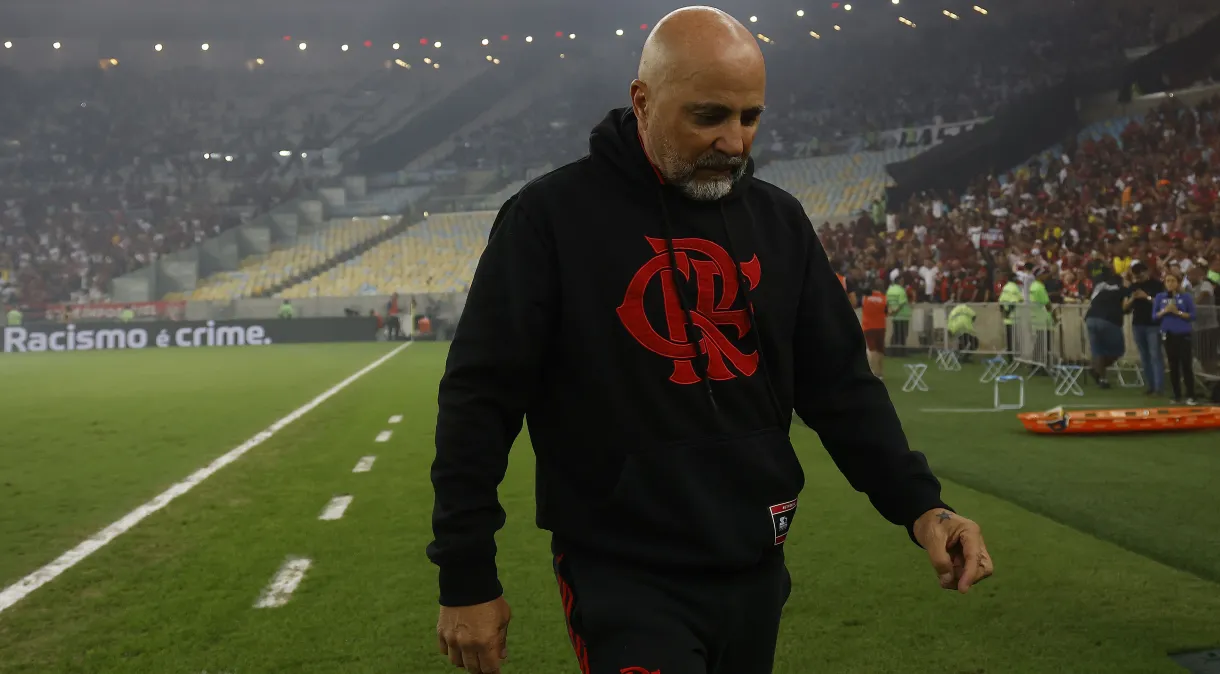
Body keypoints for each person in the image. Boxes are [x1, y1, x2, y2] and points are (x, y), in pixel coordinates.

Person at [427, 8, 992, 674]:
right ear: (643, 102)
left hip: (757, 566)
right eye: (709, 117)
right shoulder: (548, 220)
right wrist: (467, 576)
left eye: (750, 117)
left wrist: (923, 508)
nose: (734, 140)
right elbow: (480, 401)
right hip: (624, 576)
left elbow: (840, 388)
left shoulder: (778, 221)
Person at [1154, 272, 1197, 405]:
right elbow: (1155, 316)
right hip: (1168, 334)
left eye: (1173, 281)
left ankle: (1190, 395)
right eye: (1167, 281)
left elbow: (1193, 315)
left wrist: (1177, 312)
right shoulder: (1160, 297)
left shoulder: (1186, 297)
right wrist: (1165, 311)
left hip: (1183, 334)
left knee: (1186, 365)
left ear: (1178, 283)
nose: (1170, 283)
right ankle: (1176, 395)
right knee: (1173, 365)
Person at [1123, 262, 1164, 396]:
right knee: (1145, 357)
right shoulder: (1134, 287)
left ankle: (1158, 387)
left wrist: (1146, 297)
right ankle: (1151, 386)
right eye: (1136, 276)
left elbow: (1162, 304)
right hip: (1138, 324)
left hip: (1153, 324)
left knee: (1155, 356)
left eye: (1140, 275)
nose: (1138, 279)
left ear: (1147, 272)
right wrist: (1133, 298)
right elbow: (1124, 307)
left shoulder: (1157, 285)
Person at [1085, 270, 1127, 389]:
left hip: (1091, 318)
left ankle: (1102, 379)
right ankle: (1096, 369)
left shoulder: (1101, 291)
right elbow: (1126, 306)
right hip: (1108, 320)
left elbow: (1091, 300)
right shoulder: (1121, 290)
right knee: (1118, 350)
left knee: (1098, 350)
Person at [860, 288, 888, 378]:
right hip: (880, 326)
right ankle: (880, 371)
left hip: (868, 326)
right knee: (880, 349)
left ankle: (875, 372)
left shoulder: (865, 299)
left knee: (872, 349)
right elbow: (887, 312)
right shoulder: (883, 298)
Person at [885, 271, 911, 352]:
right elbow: (901, 303)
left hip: (894, 316)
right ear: (900, 281)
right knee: (903, 335)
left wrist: (891, 311)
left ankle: (893, 351)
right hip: (903, 316)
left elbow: (887, 302)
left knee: (896, 334)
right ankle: (901, 352)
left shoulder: (889, 290)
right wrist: (896, 310)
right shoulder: (901, 290)